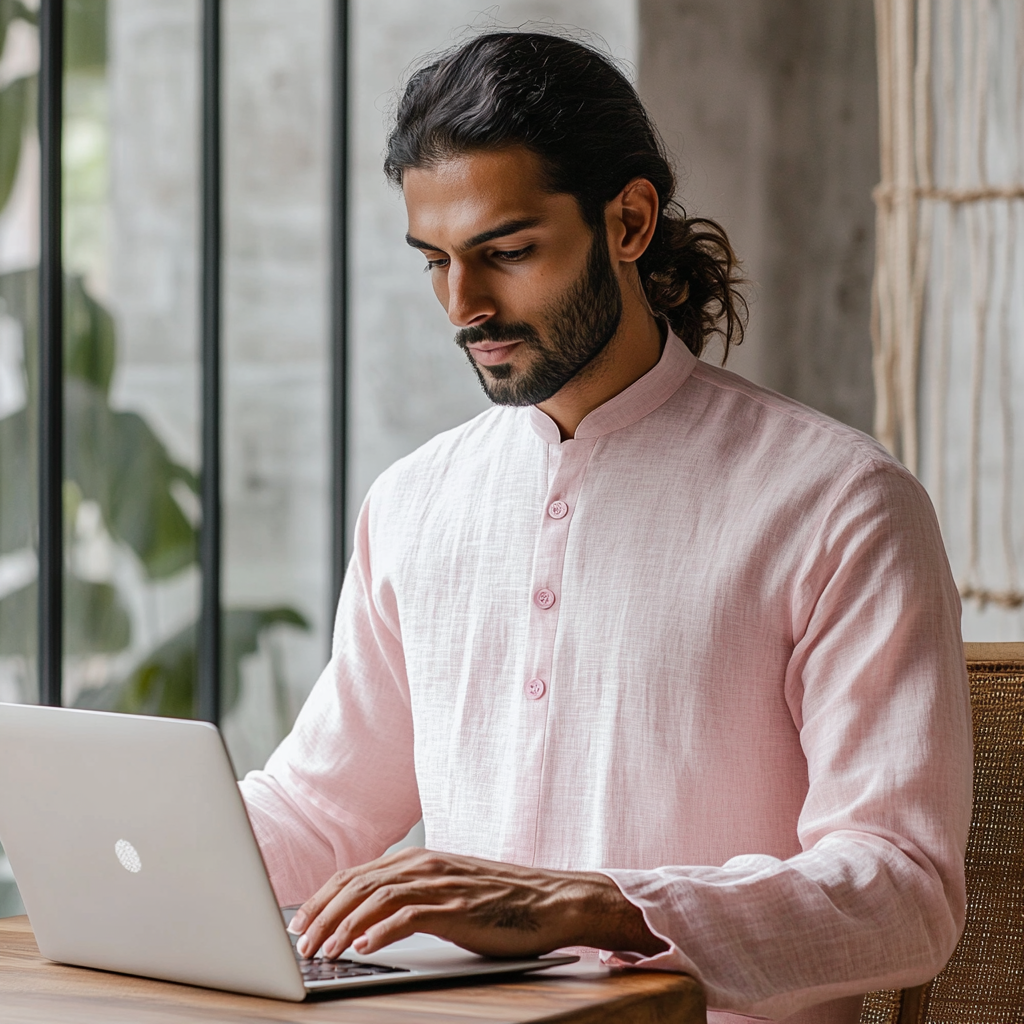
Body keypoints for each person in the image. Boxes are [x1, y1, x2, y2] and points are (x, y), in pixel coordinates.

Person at [239, 31, 973, 1024]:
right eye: (436, 262)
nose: (465, 306)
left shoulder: (838, 504)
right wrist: (128, 843)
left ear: (626, 220)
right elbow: (320, 807)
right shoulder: (412, 505)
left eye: (506, 252)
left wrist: (599, 904)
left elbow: (901, 893)